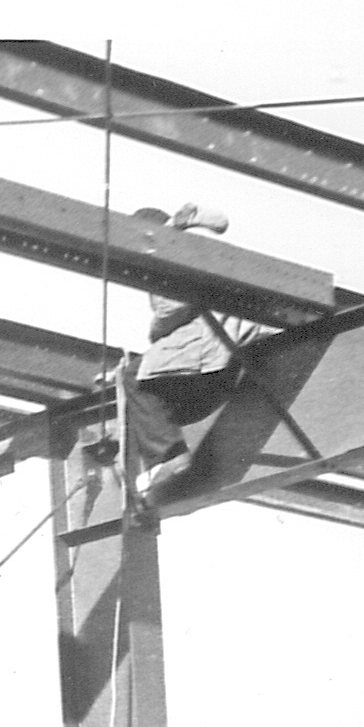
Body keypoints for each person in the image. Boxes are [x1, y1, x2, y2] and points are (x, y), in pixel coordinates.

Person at [119, 204, 252, 506]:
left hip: (208, 348)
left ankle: (169, 456)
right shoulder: (183, 242)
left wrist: (156, 332)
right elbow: (219, 222)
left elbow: (172, 308)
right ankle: (166, 467)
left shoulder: (170, 249)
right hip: (221, 367)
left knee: (135, 377)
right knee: (152, 399)